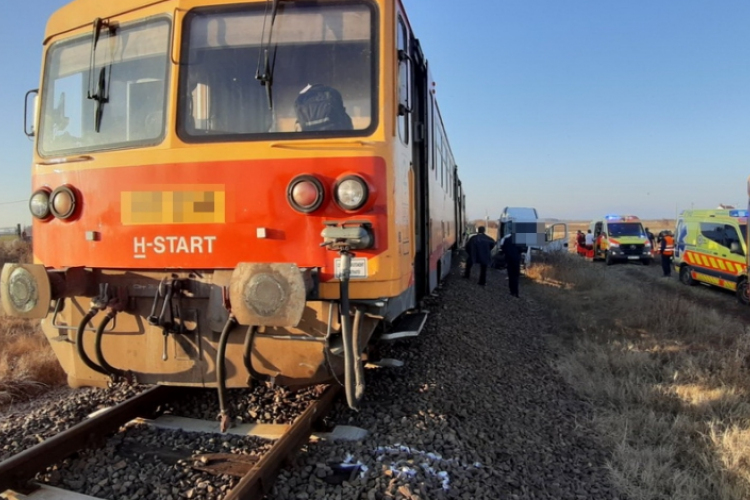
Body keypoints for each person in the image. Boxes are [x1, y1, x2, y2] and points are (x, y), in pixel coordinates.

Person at [501, 233, 521, 297]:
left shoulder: (506, 240)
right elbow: (522, 249)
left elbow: (503, 248)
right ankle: (516, 292)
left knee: (510, 275)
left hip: (508, 259)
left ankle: (512, 291)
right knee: (516, 276)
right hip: (516, 260)